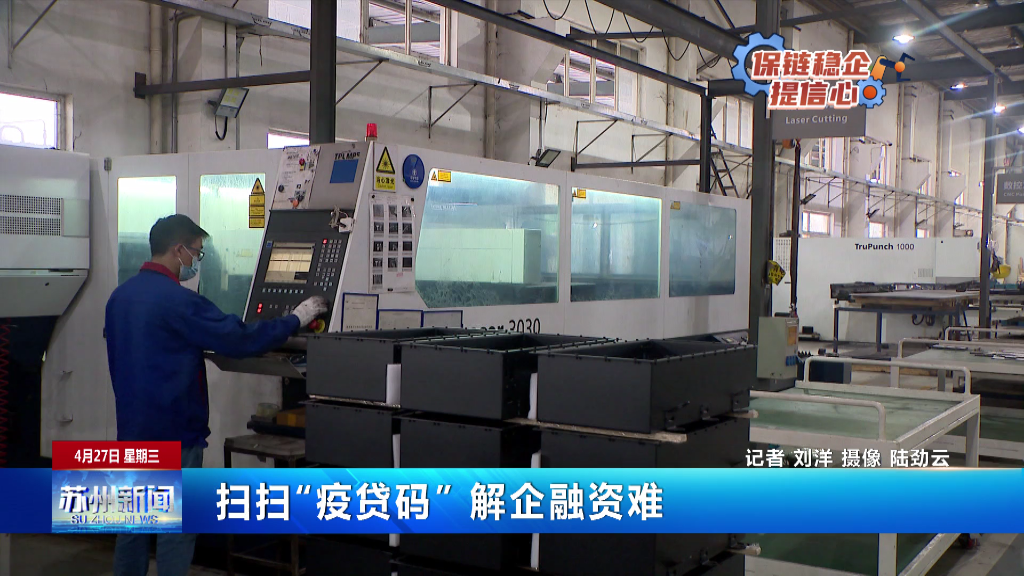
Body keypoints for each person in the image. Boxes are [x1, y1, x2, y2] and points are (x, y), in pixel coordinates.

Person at [105, 214, 327, 576]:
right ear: (178, 249)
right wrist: (295, 319)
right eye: (197, 253)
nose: (196, 260)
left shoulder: (120, 297)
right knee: (177, 528)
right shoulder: (179, 301)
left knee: (132, 527)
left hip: (132, 431)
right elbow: (239, 338)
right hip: (175, 433)